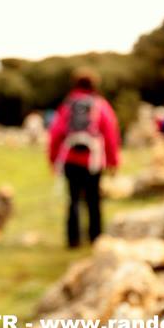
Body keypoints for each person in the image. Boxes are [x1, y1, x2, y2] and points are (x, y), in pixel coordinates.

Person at [48, 68, 121, 247]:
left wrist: (53, 159)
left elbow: (56, 133)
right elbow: (110, 133)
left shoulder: (68, 105)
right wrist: (113, 161)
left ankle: (73, 240)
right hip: (93, 161)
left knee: (73, 200)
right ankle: (96, 238)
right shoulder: (100, 105)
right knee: (93, 200)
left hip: (70, 160)